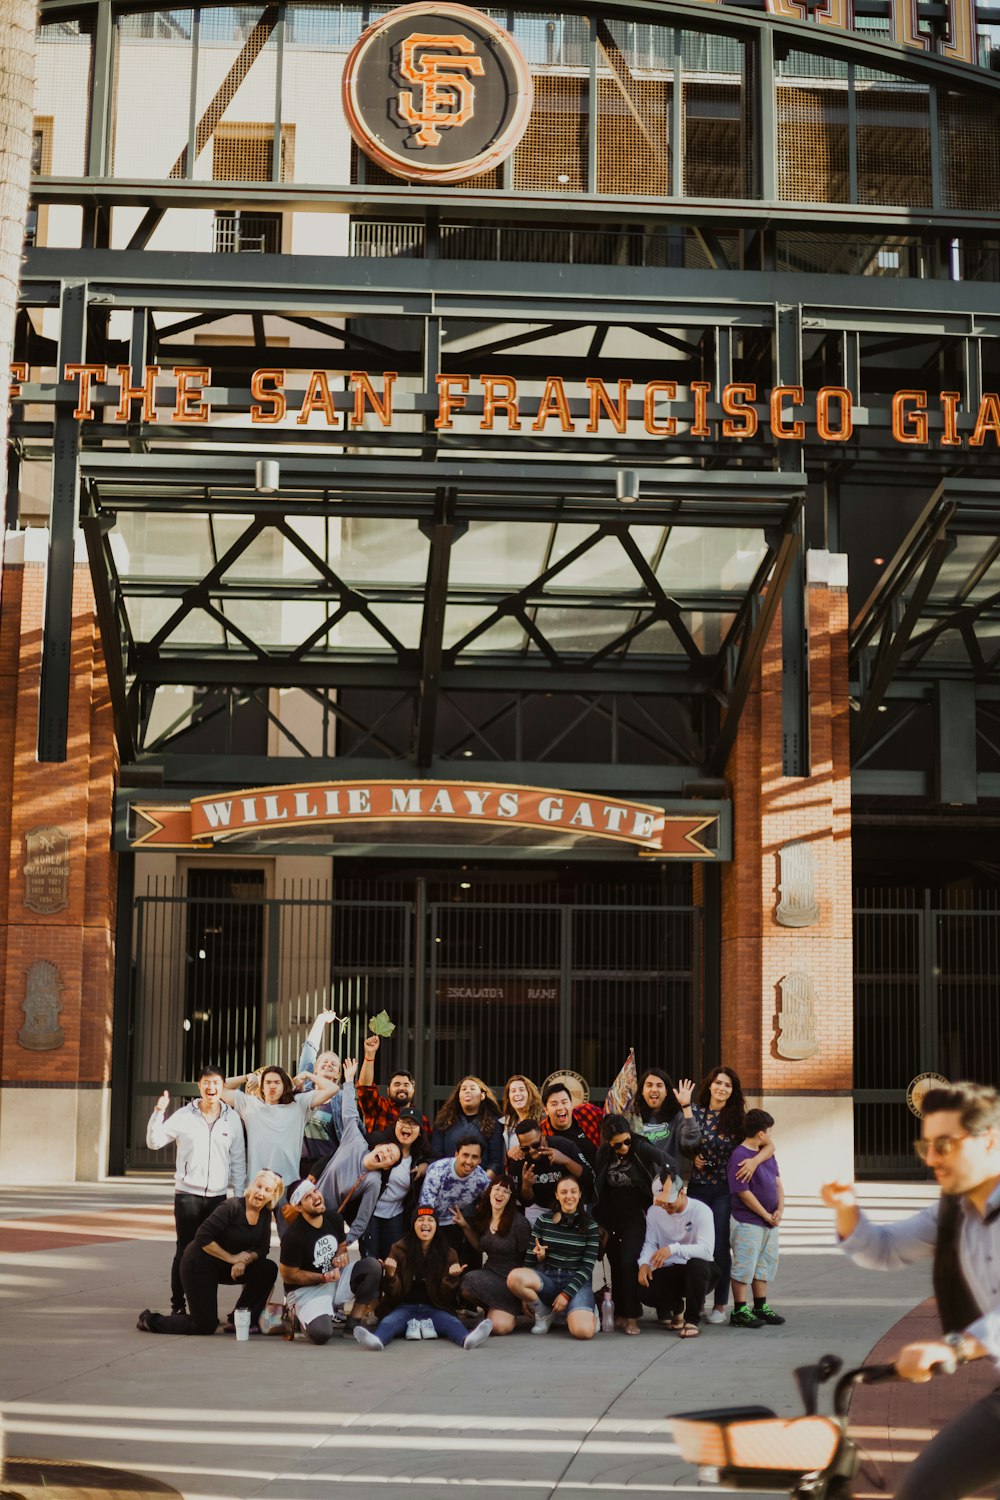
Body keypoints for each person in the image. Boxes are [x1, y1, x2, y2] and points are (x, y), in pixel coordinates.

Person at [822, 1080, 1000, 1500]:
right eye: (927, 1147)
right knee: (924, 1489)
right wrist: (847, 1208)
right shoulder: (954, 1211)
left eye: (946, 1144)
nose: (933, 1159)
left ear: (989, 1141)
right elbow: (883, 1249)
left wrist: (955, 1347)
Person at [145, 1064, 246, 1315]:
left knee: (210, 1252)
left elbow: (238, 1160)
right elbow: (154, 1142)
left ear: (223, 1087)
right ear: (199, 1086)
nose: (211, 1088)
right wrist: (158, 1112)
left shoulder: (231, 1118)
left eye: (216, 1083)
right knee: (185, 1250)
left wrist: (240, 1197)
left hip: (218, 1198)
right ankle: (178, 1305)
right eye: (206, 1083)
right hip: (188, 1195)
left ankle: (203, 1305)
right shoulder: (184, 1115)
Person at [675, 1068, 772, 1324]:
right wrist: (692, 1156)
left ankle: (720, 1305)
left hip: (723, 1190)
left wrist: (753, 1162)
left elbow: (768, 1144)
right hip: (697, 1188)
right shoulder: (694, 1111)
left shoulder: (740, 1119)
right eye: (718, 1083)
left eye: (728, 1085)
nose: (722, 1088)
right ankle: (696, 1304)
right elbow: (686, 1144)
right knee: (694, 1246)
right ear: (710, 1085)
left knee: (719, 1246)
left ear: (733, 1090)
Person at [136, 1168, 282, 1335]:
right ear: (251, 1186)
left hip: (224, 1266)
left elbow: (262, 1248)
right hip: (199, 1265)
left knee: (267, 1269)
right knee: (204, 1325)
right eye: (259, 1186)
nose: (261, 1193)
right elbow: (203, 1237)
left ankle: (240, 1318)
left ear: (273, 1196)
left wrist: (243, 1261)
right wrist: (232, 1258)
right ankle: (150, 1320)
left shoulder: (264, 1214)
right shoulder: (232, 1206)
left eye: (267, 1190)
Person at [353, 1207, 493, 1351]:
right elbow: (393, 1295)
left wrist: (452, 1278)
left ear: (436, 1226)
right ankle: (376, 1340)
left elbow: (447, 1298)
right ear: (413, 1225)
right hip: (404, 1307)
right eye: (420, 1220)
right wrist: (390, 1275)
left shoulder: (449, 1253)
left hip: (436, 1307)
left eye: (430, 1220)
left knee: (452, 1322)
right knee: (389, 1322)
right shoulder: (399, 1249)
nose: (425, 1223)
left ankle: (467, 1339)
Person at [221, 1062, 337, 1227]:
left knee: (289, 1237)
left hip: (287, 1185)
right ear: (261, 1087)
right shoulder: (249, 1104)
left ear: (285, 1085)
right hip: (257, 1185)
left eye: (277, 1082)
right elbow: (221, 1088)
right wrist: (247, 1077)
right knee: (253, 1239)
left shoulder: (299, 1104)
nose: (272, 1087)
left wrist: (307, 1075)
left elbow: (332, 1089)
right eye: (268, 1082)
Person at [279, 1177, 384, 1341]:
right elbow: (288, 1275)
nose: (316, 1197)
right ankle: (297, 1315)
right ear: (298, 1207)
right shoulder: (293, 1236)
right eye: (308, 1197)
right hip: (306, 1290)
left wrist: (340, 1257)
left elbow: (341, 1247)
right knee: (321, 1334)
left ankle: (353, 1322)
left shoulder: (335, 1219)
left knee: (373, 1266)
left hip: (334, 1279)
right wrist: (322, 1277)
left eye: (315, 1191)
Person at [314, 1059, 402, 1248]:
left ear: (387, 1166)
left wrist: (347, 1242)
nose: (386, 1154)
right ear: (377, 1147)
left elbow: (363, 1217)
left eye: (391, 1158)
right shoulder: (356, 1142)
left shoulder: (373, 1181)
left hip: (327, 1219)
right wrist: (348, 1080)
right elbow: (349, 1113)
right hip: (308, 1202)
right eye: (386, 1149)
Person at [594, 1113, 664, 1335]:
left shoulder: (640, 1146)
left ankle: (633, 1316)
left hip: (636, 1214)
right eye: (618, 1144)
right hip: (611, 1216)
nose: (624, 1147)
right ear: (608, 1142)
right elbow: (598, 1183)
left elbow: (664, 1163)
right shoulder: (604, 1152)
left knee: (628, 1261)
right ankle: (621, 1312)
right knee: (614, 1263)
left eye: (626, 1141)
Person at [507, 1174, 599, 1340]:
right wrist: (525, 1298)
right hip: (550, 1279)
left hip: (577, 1282)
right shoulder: (544, 1220)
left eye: (573, 1192)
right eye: (563, 1192)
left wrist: (566, 1295)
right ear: (557, 1195)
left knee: (583, 1332)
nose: (569, 1196)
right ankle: (544, 1313)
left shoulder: (590, 1226)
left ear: (579, 1195)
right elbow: (529, 1259)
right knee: (514, 1277)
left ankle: (590, 1309)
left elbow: (587, 1267)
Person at [637, 1173, 717, 1336]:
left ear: (682, 1192)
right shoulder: (654, 1211)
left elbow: (707, 1250)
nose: (665, 1206)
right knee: (643, 1289)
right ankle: (676, 1307)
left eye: (669, 1201)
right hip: (671, 1268)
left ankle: (692, 1320)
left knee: (697, 1263)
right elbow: (650, 1243)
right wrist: (644, 1263)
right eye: (661, 1202)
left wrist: (673, 1249)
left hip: (701, 1271)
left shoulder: (701, 1211)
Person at [727, 1109, 786, 1328]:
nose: (771, 1135)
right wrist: (765, 1214)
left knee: (764, 1264)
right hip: (747, 1222)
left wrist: (780, 1209)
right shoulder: (739, 1157)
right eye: (769, 1131)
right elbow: (742, 1191)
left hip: (769, 1221)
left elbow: (778, 1182)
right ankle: (740, 1309)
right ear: (761, 1133)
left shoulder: (766, 1152)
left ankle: (760, 1306)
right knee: (744, 1265)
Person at [456, 1177, 532, 1334]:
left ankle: (511, 1308)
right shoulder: (484, 1217)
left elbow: (529, 1258)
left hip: (512, 1281)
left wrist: (525, 1294)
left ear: (511, 1198)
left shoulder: (519, 1223)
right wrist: (464, 1225)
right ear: (489, 1192)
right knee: (466, 1283)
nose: (500, 1194)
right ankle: (493, 1308)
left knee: (500, 1328)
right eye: (497, 1189)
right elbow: (479, 1247)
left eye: (506, 1191)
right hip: (490, 1274)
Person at [361, 1107, 429, 1259]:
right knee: (370, 1259)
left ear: (419, 1132)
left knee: (392, 1258)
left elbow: (438, 1157)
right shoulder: (380, 1142)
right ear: (395, 1124)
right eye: (403, 1122)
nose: (406, 1127)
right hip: (371, 1211)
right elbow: (351, 1148)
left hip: (395, 1214)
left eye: (413, 1124)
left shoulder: (419, 1155)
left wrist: (426, 1165)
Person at [507, 1117, 593, 1223]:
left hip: (570, 1201)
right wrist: (526, 1186)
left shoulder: (564, 1145)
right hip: (538, 1206)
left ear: (543, 1136)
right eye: (525, 1148)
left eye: (536, 1144)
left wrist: (566, 1161)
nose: (532, 1151)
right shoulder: (518, 1159)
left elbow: (588, 1176)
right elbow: (526, 1202)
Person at [418, 1136, 491, 1258]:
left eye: (474, 1157)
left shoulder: (481, 1179)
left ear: (480, 1160)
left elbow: (491, 1201)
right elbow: (425, 1206)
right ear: (456, 1154)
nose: (469, 1161)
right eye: (465, 1155)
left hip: (453, 1221)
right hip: (428, 1219)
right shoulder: (438, 1170)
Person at [297, 1009, 345, 1173]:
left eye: (334, 1064)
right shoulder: (305, 1089)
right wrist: (321, 1020)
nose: (328, 1065)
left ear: (338, 1074)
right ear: (314, 1069)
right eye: (324, 1062)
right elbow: (309, 1050)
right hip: (300, 1163)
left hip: (329, 1165)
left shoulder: (342, 1099)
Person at [356, 1033, 430, 1136]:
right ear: (388, 1090)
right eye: (397, 1084)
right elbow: (365, 1088)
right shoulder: (378, 1108)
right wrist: (370, 1054)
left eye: (406, 1085)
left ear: (413, 1091)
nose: (402, 1088)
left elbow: (426, 1148)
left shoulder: (422, 1119)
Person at [430, 1076, 504, 1178]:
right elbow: (436, 1157)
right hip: (448, 1184)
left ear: (482, 1096)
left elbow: (496, 1162)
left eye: (472, 1088)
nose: (467, 1091)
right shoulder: (444, 1121)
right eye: (463, 1089)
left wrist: (481, 1185)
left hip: (481, 1186)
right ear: (459, 1097)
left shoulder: (494, 1123)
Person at [539, 1081, 602, 1164]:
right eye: (554, 1104)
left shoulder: (586, 1111)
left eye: (564, 1102)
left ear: (571, 1104)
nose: (560, 1107)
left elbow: (611, 1120)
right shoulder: (541, 1132)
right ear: (546, 1109)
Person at [636, 1068, 682, 1159]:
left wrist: (686, 1106)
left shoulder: (677, 1116)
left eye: (659, 1085)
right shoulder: (633, 1117)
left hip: (669, 1172)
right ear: (642, 1091)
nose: (654, 1089)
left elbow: (691, 1143)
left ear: (666, 1091)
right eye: (649, 1085)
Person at [500, 1075, 543, 1155]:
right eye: (513, 1091)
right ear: (508, 1097)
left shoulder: (542, 1119)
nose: (517, 1094)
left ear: (530, 1093)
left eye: (521, 1090)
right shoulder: (506, 1122)